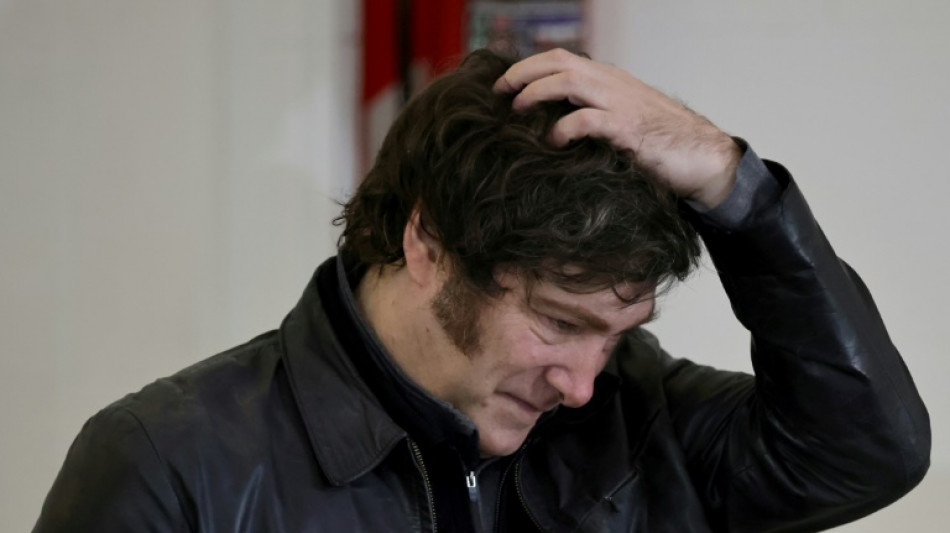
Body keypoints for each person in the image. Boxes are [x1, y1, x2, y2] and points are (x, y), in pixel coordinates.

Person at [34, 48, 929, 532]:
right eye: (558, 321)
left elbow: (867, 451)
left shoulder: (636, 415)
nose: (583, 384)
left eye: (616, 333)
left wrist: (735, 183)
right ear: (427, 241)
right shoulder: (169, 465)